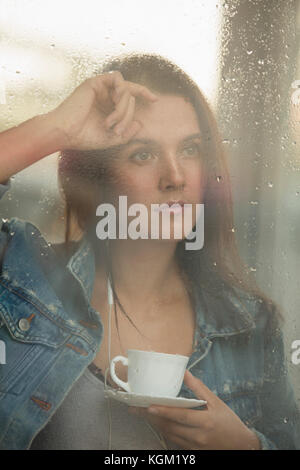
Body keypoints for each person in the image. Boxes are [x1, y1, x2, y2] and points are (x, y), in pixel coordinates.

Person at [0, 53, 299, 450]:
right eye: (143, 154)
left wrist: (247, 446)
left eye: (191, 150)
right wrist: (56, 128)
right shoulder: (21, 276)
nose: (175, 177)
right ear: (98, 174)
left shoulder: (249, 325)